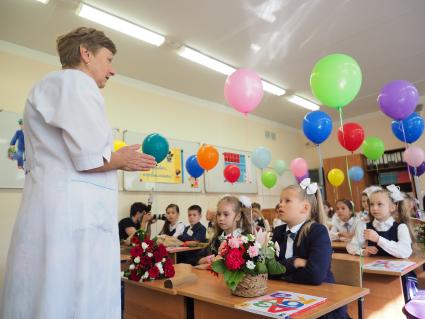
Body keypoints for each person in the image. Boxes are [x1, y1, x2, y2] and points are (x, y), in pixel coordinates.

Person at [0, 27, 156, 319]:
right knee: (72, 296)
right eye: (108, 60)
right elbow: (89, 156)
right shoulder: (75, 83)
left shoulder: (51, 87)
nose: (112, 71)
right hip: (71, 219)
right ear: (86, 54)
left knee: (48, 293)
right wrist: (123, 159)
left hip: (58, 212)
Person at [271, 178, 348, 319]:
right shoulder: (278, 231)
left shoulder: (317, 231)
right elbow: (266, 269)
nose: (280, 204)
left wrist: (281, 274)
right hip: (288, 298)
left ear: (305, 208)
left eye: (287, 201)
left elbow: (315, 276)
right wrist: (293, 263)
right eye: (280, 200)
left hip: (323, 302)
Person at [346, 185, 417, 301]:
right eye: (372, 204)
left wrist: (378, 239)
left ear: (392, 207)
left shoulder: (401, 227)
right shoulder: (364, 225)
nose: (374, 208)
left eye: (380, 204)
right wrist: (363, 251)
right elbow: (351, 246)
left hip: (401, 278)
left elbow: (404, 252)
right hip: (374, 276)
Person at [191, 196, 252, 268]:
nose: (221, 218)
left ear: (238, 216)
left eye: (226, 214)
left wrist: (215, 264)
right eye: (219, 214)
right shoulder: (217, 238)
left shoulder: (245, 239)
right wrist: (203, 260)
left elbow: (245, 266)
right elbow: (195, 258)